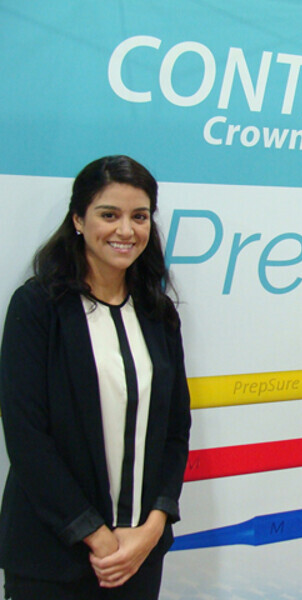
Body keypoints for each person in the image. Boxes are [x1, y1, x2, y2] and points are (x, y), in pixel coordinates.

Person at [0, 155, 192, 599]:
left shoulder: (157, 312)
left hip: (139, 555)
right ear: (78, 220)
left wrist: (153, 526)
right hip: (54, 557)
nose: (126, 230)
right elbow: (27, 437)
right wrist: (97, 537)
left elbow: (175, 429)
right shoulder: (38, 307)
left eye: (139, 216)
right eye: (109, 215)